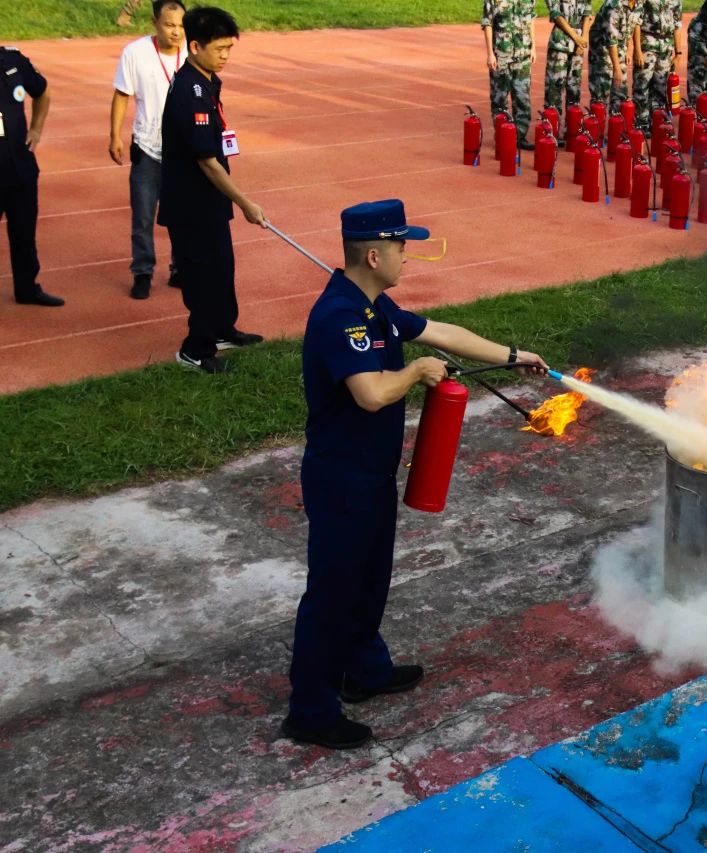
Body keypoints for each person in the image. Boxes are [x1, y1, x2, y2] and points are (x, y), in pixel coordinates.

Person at [282, 199, 549, 750]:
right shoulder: (340, 316)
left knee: (370, 579)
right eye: (402, 247)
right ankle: (310, 711)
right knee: (333, 593)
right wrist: (416, 370)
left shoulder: (374, 307)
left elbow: (440, 331)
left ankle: (364, 669)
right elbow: (371, 393)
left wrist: (513, 355)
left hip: (372, 474)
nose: (407, 257)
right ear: (374, 255)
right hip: (342, 480)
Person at [158, 6, 265, 374]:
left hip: (209, 200)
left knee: (222, 267)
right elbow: (206, 161)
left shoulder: (206, 81)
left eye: (229, 48)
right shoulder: (190, 92)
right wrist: (245, 202)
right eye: (219, 49)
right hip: (191, 204)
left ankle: (221, 330)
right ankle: (195, 349)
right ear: (195, 46)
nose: (225, 56)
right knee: (202, 275)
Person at [110, 0, 188, 300]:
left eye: (181, 25)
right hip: (147, 148)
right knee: (143, 216)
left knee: (181, 214)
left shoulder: (192, 52)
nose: (176, 32)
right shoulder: (135, 53)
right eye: (169, 25)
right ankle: (142, 272)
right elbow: (121, 94)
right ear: (155, 22)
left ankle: (179, 268)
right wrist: (114, 136)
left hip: (183, 151)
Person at [0, 47, 62, 307]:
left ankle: (27, 289)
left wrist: (36, 129)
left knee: (24, 234)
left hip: (19, 166)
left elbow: (42, 91)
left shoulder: (14, 60)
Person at [482, 0, 537, 151]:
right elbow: (487, 24)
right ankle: (503, 136)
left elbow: (531, 20)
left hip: (523, 54)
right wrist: (490, 53)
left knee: (522, 97)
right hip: (501, 55)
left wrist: (533, 47)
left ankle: (520, 137)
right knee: (499, 98)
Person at [544, 0, 592, 137]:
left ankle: (571, 129)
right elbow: (556, 14)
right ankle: (552, 132)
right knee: (554, 89)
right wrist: (576, 37)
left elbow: (587, 12)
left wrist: (583, 40)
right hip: (560, 43)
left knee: (574, 88)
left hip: (578, 43)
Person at [632, 0, 682, 128]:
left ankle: (657, 123)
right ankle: (641, 124)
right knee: (642, 86)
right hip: (647, 45)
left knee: (661, 88)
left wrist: (678, 53)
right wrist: (637, 50)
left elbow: (677, 24)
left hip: (666, 47)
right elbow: (636, 22)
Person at [588, 0, 643, 112]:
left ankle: (616, 121)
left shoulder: (638, 2)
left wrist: (630, 49)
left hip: (620, 47)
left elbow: (635, 23)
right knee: (600, 95)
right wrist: (617, 69)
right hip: (602, 50)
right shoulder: (614, 5)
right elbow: (611, 40)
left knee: (620, 93)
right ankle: (596, 121)